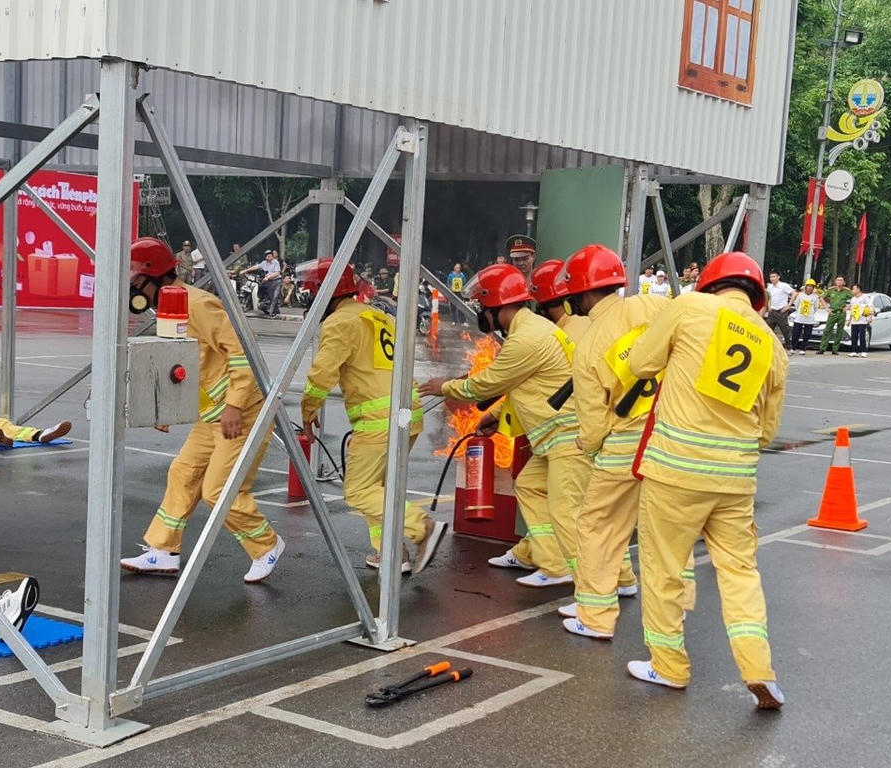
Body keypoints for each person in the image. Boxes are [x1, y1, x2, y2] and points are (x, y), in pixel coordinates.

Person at [627, 251, 787, 710]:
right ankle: (760, 671)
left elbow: (640, 363)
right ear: (756, 296)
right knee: (739, 572)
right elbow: (768, 431)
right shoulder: (770, 342)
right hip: (736, 479)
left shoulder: (689, 308)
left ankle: (669, 666)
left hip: (676, 470)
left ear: (710, 284)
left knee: (663, 568)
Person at [120, 238, 284, 583]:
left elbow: (242, 355)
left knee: (219, 490)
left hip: (241, 413)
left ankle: (266, 545)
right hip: (211, 417)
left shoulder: (197, 305)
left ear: (154, 277)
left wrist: (235, 406)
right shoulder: (170, 308)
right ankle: (163, 551)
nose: (132, 289)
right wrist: (165, 409)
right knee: (183, 474)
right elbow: (178, 365)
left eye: (134, 281)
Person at [420, 264, 585, 590]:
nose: (483, 314)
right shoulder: (535, 328)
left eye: (483, 306)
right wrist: (496, 417)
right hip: (557, 434)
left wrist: (445, 387)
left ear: (497, 304)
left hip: (569, 435)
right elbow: (526, 384)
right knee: (529, 486)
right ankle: (548, 560)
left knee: (568, 511)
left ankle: (590, 584)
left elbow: (485, 385)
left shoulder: (526, 339)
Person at [299, 259, 446, 574]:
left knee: (358, 491)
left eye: (313, 293)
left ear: (326, 293)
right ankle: (390, 554)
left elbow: (321, 374)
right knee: (376, 487)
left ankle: (422, 528)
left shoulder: (339, 323)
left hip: (380, 420)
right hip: (408, 413)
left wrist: (308, 409)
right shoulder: (377, 315)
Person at [549, 245, 655, 639]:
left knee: (596, 524)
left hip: (626, 440)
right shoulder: (652, 308)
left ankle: (594, 616)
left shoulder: (590, 343)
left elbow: (593, 426)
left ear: (578, 293)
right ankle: (625, 582)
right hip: (667, 433)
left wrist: (586, 446)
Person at [243, 249, 283, 317]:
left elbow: (277, 273)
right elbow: (256, 267)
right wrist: (246, 270)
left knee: (275, 296)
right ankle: (275, 311)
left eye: (271, 256)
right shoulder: (264, 263)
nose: (270, 257)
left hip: (277, 281)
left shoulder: (276, 262)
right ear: (265, 257)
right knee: (270, 296)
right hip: (269, 282)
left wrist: (268, 277)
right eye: (268, 256)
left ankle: (271, 312)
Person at [817, 276, 851, 355]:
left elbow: (855, 299)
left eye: (841, 280)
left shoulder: (846, 291)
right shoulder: (831, 290)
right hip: (832, 312)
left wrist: (847, 307)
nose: (839, 282)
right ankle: (822, 348)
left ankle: (835, 349)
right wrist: (826, 307)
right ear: (835, 282)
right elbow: (821, 297)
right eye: (838, 280)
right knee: (827, 330)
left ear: (843, 282)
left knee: (839, 331)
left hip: (841, 313)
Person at [764, 272, 795, 352]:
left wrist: (788, 305)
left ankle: (789, 348)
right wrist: (769, 306)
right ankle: (766, 346)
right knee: (767, 330)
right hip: (772, 311)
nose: (772, 278)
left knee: (785, 330)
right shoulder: (770, 287)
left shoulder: (784, 286)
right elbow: (768, 296)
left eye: (774, 276)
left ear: (778, 277)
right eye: (771, 277)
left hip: (781, 311)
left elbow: (794, 294)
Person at [790, 278, 820, 355]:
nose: (810, 288)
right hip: (799, 317)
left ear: (813, 288)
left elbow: (816, 307)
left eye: (811, 286)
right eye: (808, 286)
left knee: (807, 334)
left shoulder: (815, 297)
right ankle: (793, 347)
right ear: (806, 287)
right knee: (796, 333)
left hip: (809, 318)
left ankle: (803, 348)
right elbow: (796, 305)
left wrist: (811, 312)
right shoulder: (800, 295)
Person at [847, 284, 874, 357]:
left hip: (862, 320)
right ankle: (854, 351)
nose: (852, 290)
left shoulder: (865, 297)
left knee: (862, 336)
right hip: (854, 320)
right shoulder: (853, 299)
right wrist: (849, 320)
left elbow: (870, 306)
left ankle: (864, 351)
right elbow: (852, 310)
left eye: (853, 289)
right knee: (854, 336)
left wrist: (870, 316)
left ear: (858, 289)